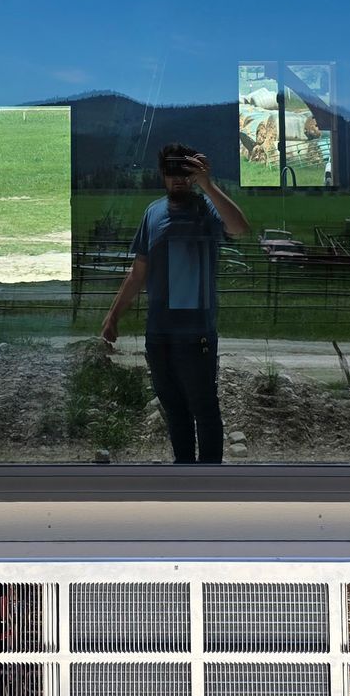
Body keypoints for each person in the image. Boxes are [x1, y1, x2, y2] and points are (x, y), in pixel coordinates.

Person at [100, 143, 249, 463]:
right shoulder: (152, 214)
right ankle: (185, 476)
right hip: (159, 335)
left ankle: (209, 484)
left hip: (197, 335)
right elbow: (138, 272)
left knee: (205, 411)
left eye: (185, 171)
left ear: (195, 173)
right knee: (176, 413)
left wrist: (209, 185)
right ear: (162, 175)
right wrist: (114, 315)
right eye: (172, 171)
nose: (178, 179)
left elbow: (238, 228)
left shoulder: (206, 209)